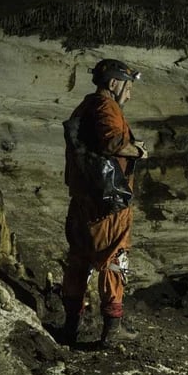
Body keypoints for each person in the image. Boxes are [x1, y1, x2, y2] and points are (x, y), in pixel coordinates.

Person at [60, 58, 147, 347]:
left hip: (84, 199)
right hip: (108, 201)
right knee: (113, 259)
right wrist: (137, 151)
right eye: (128, 86)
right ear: (113, 83)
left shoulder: (84, 106)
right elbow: (112, 143)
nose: (130, 94)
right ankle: (112, 329)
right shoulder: (106, 107)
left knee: (79, 259)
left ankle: (71, 324)